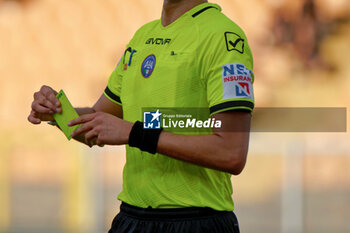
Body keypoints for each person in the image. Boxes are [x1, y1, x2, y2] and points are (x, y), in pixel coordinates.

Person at [28, 0, 255, 232]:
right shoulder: (142, 37)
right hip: (132, 218)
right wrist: (57, 112)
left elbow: (231, 153)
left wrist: (134, 133)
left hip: (195, 220)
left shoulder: (223, 37)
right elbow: (98, 122)